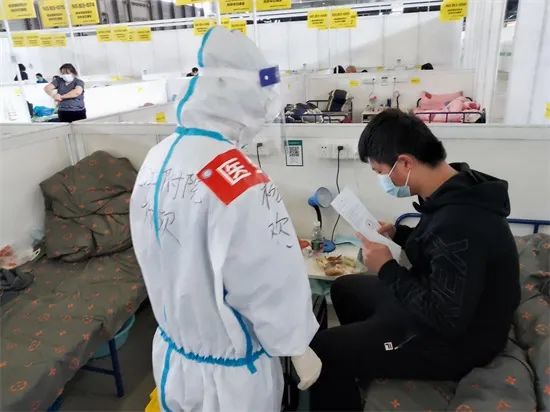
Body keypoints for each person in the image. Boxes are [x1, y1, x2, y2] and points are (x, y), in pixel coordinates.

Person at [130, 27, 320, 411]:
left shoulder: (159, 155)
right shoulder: (238, 178)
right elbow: (267, 279)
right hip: (231, 379)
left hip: (173, 357)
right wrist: (296, 343)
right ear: (244, 96)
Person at [309, 109, 520, 411]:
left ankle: (361, 356)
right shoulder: (455, 188)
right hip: (441, 304)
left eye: (381, 172)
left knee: (324, 349)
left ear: (406, 162)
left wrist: (387, 269)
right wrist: (400, 235)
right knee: (345, 288)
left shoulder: (461, 221)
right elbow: (441, 250)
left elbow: (446, 318)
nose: (382, 180)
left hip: (458, 342)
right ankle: (367, 359)